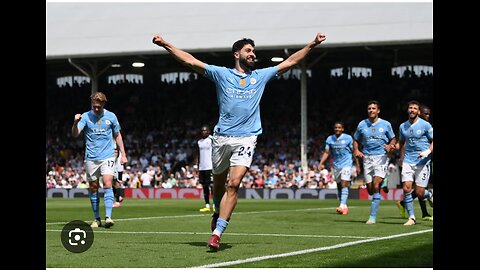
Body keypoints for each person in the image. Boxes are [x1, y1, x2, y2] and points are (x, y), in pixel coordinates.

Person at [153, 32, 327, 251]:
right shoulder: (221, 74)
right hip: (222, 137)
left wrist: (312, 44)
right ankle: (217, 210)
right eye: (248, 50)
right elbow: (190, 60)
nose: (253, 54)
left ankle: (217, 234)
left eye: (254, 50)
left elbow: (290, 61)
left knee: (233, 184)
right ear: (237, 54)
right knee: (218, 185)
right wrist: (166, 44)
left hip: (247, 137)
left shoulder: (261, 76)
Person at [72, 91, 128, 228]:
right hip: (91, 157)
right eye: (94, 106)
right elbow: (75, 134)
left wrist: (123, 154)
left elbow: (118, 135)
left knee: (108, 183)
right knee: (93, 188)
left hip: (107, 156)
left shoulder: (111, 116)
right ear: (92, 103)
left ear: (103, 103)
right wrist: (75, 123)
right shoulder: (85, 117)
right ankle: (96, 219)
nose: (96, 109)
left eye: (99, 106)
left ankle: (108, 217)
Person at [353, 100, 396, 224]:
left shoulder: (385, 124)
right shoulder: (362, 124)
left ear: (378, 110)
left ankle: (372, 217)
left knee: (376, 186)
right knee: (370, 190)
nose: (371, 110)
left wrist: (390, 145)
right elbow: (355, 139)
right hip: (367, 158)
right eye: (369, 108)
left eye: (373, 108)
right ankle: (385, 181)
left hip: (381, 157)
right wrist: (356, 150)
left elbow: (393, 138)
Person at [395, 100, 433, 225]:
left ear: (419, 111)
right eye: (410, 108)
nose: (412, 110)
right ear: (408, 110)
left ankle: (430, 194)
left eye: (414, 108)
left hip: (423, 161)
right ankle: (411, 218)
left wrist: (427, 151)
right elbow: (401, 143)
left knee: (419, 193)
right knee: (406, 189)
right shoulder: (403, 126)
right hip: (408, 161)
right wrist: (398, 155)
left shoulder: (425, 125)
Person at [319, 122, 360, 215]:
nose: (337, 129)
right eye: (336, 127)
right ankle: (344, 207)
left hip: (347, 164)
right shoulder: (330, 139)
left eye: (339, 127)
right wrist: (321, 163)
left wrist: (358, 165)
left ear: (343, 129)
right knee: (339, 186)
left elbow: (354, 151)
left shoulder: (348, 138)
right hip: (336, 165)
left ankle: (341, 205)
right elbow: (327, 152)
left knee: (344, 184)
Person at [196, 125, 214, 213]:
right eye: (202, 131)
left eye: (205, 130)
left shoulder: (212, 140)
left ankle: (215, 205)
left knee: (212, 186)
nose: (203, 132)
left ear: (208, 131)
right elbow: (198, 154)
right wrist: (197, 166)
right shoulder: (199, 142)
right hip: (202, 167)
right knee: (205, 187)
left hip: (210, 166)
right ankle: (207, 205)